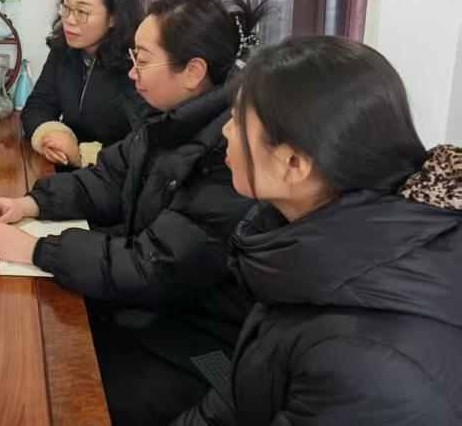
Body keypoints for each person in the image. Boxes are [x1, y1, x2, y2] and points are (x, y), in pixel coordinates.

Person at [0, 0, 267, 426]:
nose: (131, 72)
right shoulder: (169, 120)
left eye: (143, 60)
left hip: (201, 344)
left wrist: (38, 251)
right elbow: (109, 177)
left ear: (193, 72)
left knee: (57, 387)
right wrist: (33, 202)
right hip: (153, 312)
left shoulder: (228, 153)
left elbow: (156, 265)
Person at [175, 37, 462, 426]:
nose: (225, 131)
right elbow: (243, 397)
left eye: (238, 120)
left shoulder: (367, 367)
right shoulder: (302, 241)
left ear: (294, 162)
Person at [21, 0, 148, 170]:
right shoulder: (64, 51)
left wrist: (81, 155)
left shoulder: (136, 65)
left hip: (112, 178)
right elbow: (38, 106)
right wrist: (51, 137)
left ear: (113, 17)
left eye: (82, 12)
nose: (69, 20)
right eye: (66, 8)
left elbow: (142, 145)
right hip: (68, 171)